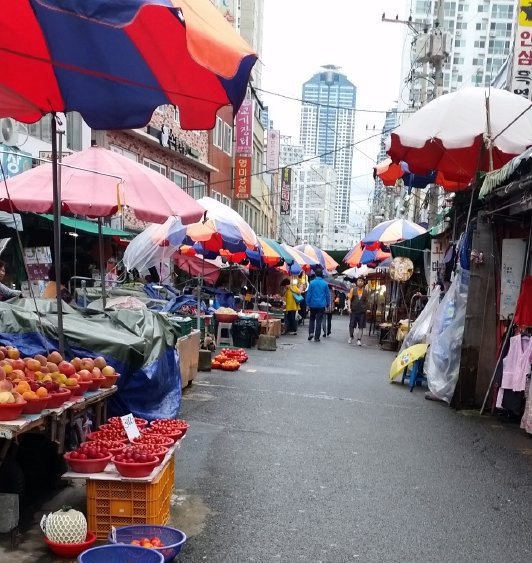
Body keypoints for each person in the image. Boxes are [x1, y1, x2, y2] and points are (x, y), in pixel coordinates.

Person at [305, 268, 330, 342]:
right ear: (322, 274)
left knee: (312, 319)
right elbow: (327, 295)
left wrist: (307, 303)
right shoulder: (325, 284)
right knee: (319, 321)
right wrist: (328, 303)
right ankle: (317, 337)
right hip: (321, 305)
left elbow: (309, 294)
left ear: (315, 274)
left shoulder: (312, 283)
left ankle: (311, 333)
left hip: (313, 304)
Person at [348, 276, 370, 346]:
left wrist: (367, 309)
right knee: (351, 325)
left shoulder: (366, 291)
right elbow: (349, 299)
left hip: (362, 312)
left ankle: (359, 339)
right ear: (356, 282)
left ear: (363, 283)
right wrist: (349, 308)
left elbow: (367, 301)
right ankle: (351, 336)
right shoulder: (353, 290)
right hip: (354, 311)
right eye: (359, 281)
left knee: (361, 326)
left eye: (362, 281)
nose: (360, 282)